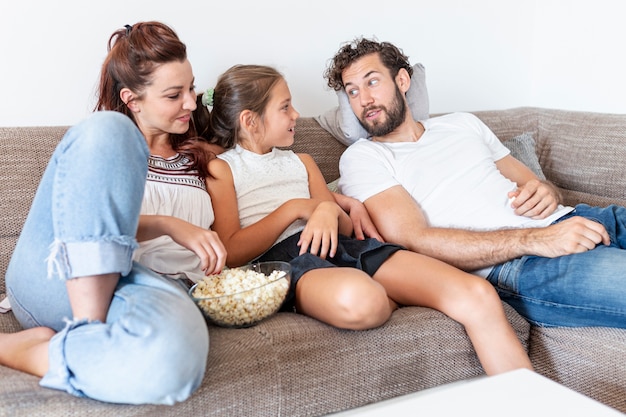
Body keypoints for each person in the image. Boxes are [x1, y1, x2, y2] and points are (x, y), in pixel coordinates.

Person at [203, 64, 533, 375]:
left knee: (477, 293)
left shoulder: (302, 162)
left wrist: (329, 209)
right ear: (250, 120)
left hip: (345, 246)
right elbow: (232, 252)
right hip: (288, 262)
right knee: (366, 302)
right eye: (285, 107)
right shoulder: (223, 169)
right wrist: (297, 208)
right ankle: (384, 292)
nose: (296, 115)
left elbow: (344, 228)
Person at [324, 37, 626, 329]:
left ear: (402, 81)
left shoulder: (461, 123)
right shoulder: (363, 157)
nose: (364, 100)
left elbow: (535, 183)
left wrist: (547, 191)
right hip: (520, 263)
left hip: (576, 219)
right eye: (352, 91)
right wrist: (536, 240)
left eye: (372, 82)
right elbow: (414, 239)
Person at [0, 22, 226, 405]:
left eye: (191, 88)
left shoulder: (206, 160)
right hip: (57, 275)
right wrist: (169, 225)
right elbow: (82, 224)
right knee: (110, 130)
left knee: (175, 356)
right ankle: (88, 328)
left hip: (141, 287)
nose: (191, 102)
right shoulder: (100, 149)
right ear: (133, 98)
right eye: (174, 94)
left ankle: (37, 351)